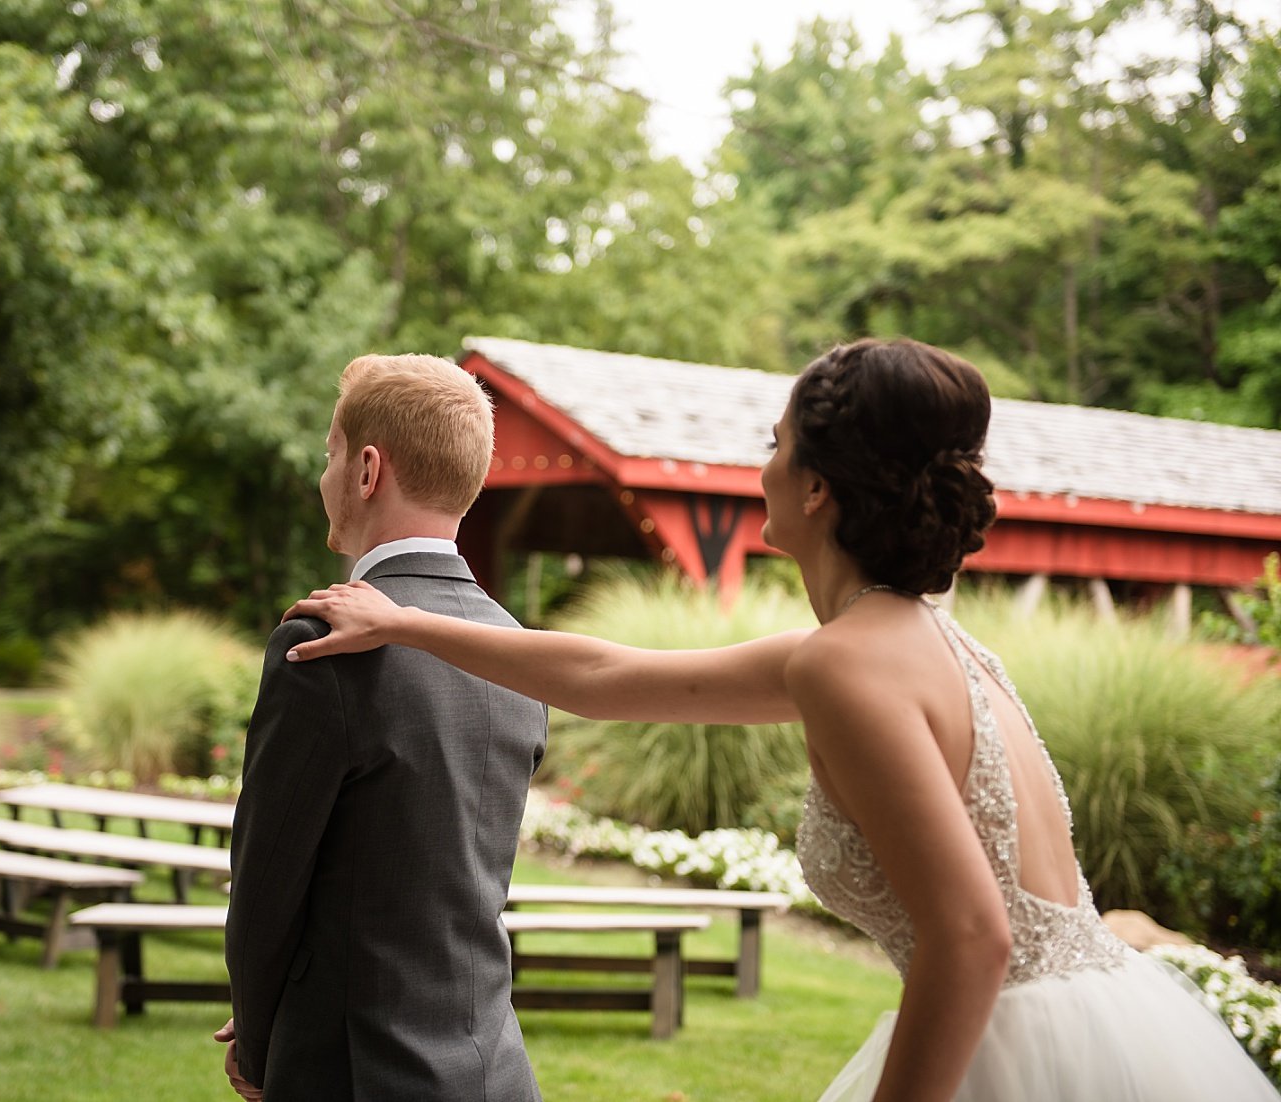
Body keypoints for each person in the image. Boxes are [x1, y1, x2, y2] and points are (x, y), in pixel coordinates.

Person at [284, 339, 1281, 1101]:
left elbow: (972, 935)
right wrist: (407, 620)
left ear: (815, 485)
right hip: (1106, 1028)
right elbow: (600, 673)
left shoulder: (850, 663)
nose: (760, 465)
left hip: (1009, 1051)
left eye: (775, 443)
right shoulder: (916, 640)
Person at [216, 354, 547, 1102]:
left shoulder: (323, 643)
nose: (322, 475)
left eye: (330, 452)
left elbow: (265, 884)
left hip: (354, 1069)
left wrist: (261, 1039)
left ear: (368, 469)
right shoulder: (517, 645)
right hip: (494, 1065)